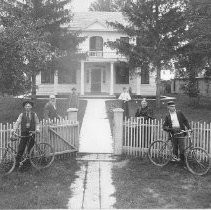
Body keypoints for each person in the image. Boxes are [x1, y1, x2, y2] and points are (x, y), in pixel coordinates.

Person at [12, 100, 40, 169]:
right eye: (26, 106)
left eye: (29, 106)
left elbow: (37, 123)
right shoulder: (21, 115)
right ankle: (16, 164)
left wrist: (37, 129)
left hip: (32, 133)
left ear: (31, 107)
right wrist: (14, 130)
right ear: (24, 107)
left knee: (30, 149)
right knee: (21, 148)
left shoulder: (34, 114)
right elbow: (17, 122)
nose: (28, 107)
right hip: (24, 133)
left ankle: (28, 164)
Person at [163, 101, 191, 165]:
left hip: (180, 132)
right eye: (171, 106)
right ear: (168, 107)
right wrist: (171, 129)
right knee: (175, 147)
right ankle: (175, 160)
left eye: (174, 106)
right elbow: (164, 127)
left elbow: (185, 120)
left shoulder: (179, 113)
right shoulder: (167, 116)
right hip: (173, 133)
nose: (173, 108)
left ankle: (183, 162)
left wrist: (189, 128)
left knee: (182, 148)